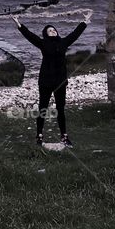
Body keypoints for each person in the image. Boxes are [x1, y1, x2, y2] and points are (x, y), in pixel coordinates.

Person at [12, 13, 88, 147]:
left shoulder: (63, 42)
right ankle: (39, 136)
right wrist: (19, 24)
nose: (53, 31)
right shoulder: (43, 43)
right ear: (46, 34)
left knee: (60, 109)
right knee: (43, 109)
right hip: (45, 81)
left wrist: (85, 21)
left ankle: (64, 137)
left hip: (60, 81)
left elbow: (75, 34)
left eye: (54, 30)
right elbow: (30, 36)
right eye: (49, 30)